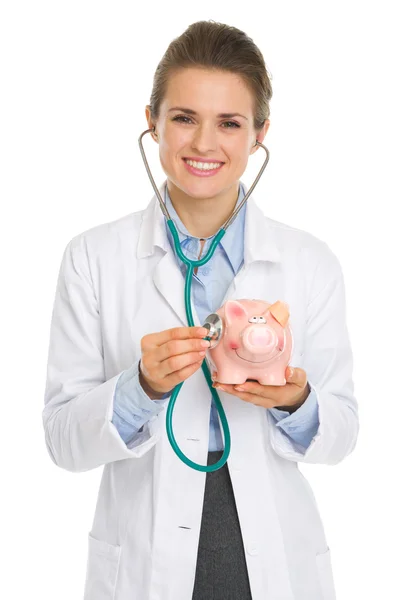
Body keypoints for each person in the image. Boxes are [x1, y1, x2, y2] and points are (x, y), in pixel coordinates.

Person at [42, 20, 359, 600]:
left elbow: (342, 434)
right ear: (152, 122)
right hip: (145, 560)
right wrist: (140, 387)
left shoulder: (310, 262)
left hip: (274, 558)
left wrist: (295, 401)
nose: (204, 143)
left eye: (230, 123)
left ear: (260, 133)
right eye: (184, 118)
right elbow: (62, 440)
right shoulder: (93, 257)